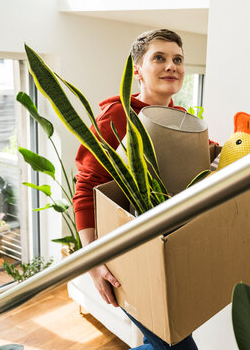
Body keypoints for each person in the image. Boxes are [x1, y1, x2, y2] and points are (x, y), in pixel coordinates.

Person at [72, 29, 198, 350]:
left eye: (178, 59)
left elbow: (213, 158)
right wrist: (93, 261)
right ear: (137, 69)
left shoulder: (183, 119)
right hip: (125, 259)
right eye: (159, 58)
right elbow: (86, 188)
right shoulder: (117, 116)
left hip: (168, 253)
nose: (172, 66)